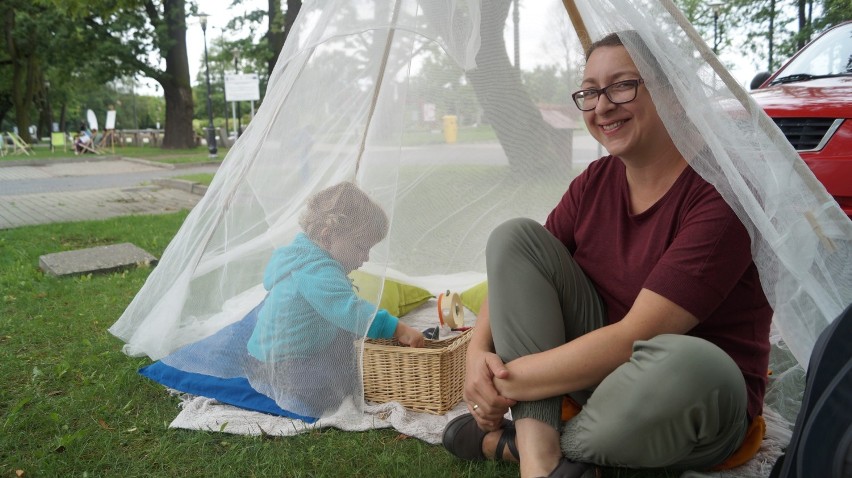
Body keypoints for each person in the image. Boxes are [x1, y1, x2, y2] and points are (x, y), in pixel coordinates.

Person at [441, 32, 773, 478]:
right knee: (513, 236)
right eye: (591, 91)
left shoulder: (724, 192)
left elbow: (637, 335)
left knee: (695, 365)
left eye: (622, 85)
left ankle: (522, 442)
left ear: (673, 95)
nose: (602, 106)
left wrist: (500, 385)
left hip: (681, 395)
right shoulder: (595, 181)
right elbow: (517, 265)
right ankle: (540, 462)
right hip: (601, 382)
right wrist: (476, 355)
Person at [246, 181, 425, 417]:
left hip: (269, 355)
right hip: (283, 365)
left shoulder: (301, 253)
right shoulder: (317, 269)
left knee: (346, 350)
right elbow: (349, 311)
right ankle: (287, 392)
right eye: (361, 247)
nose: (366, 257)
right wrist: (397, 328)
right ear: (328, 236)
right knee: (334, 389)